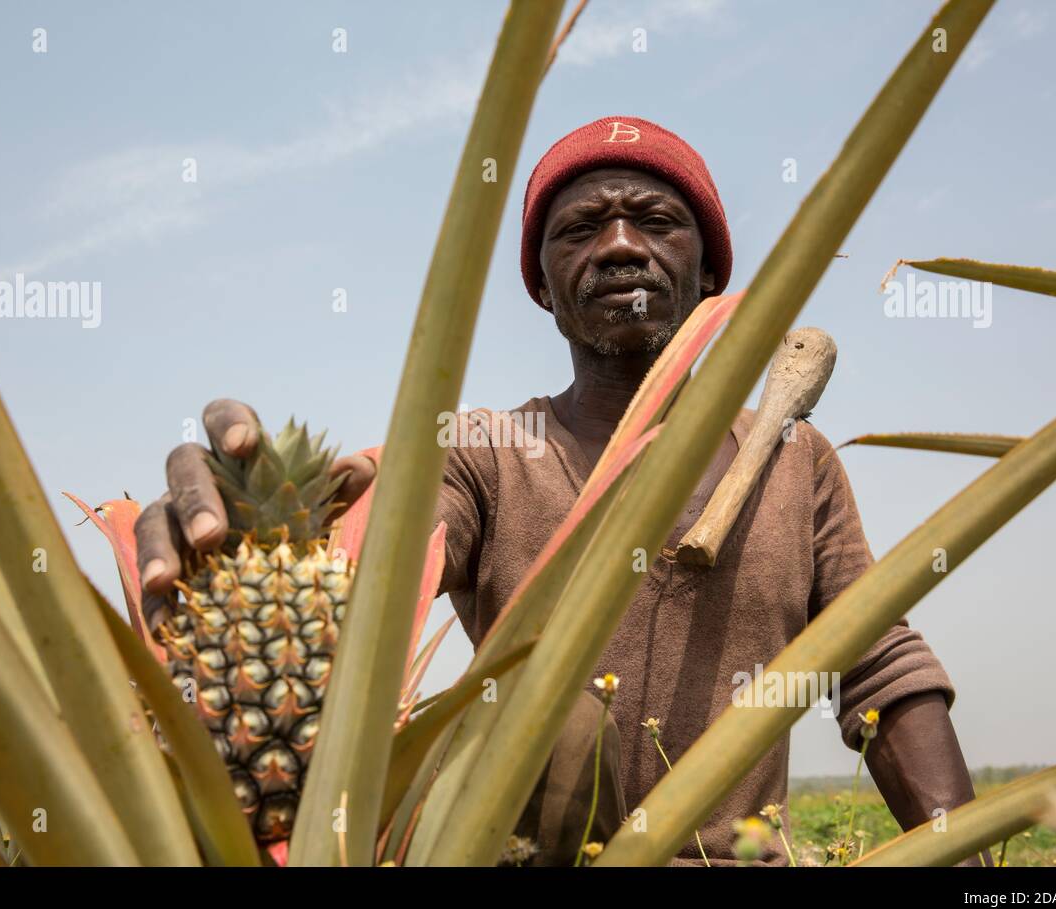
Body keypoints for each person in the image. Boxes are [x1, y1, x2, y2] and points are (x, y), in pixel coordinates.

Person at [135, 115, 984, 866]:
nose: (618, 244)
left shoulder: (797, 458)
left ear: (711, 273)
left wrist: (978, 877)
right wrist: (260, 538)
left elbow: (878, 669)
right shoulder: (487, 453)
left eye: (655, 220)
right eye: (580, 228)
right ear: (541, 285)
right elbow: (390, 532)